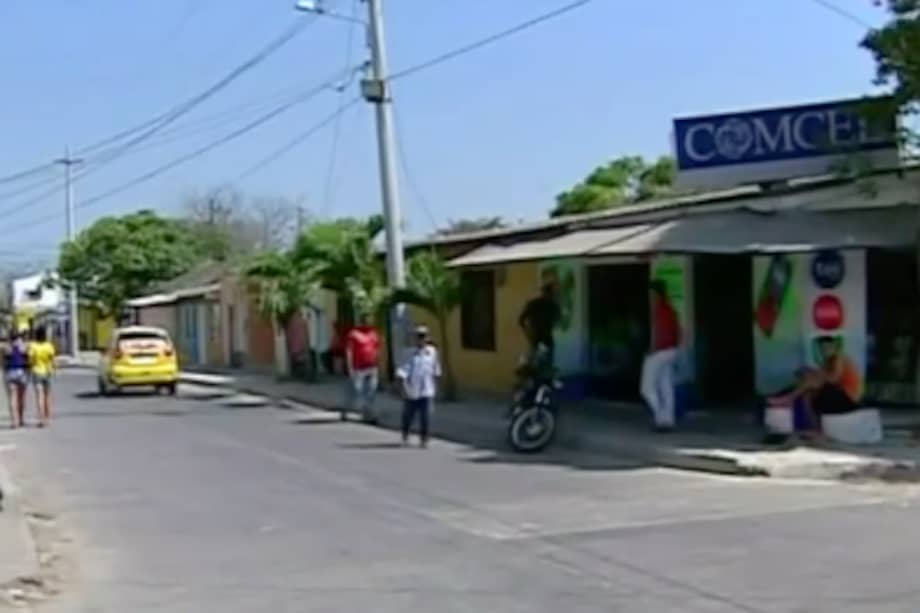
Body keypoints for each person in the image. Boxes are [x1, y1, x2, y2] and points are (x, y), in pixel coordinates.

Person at [768, 336, 862, 437]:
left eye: (828, 348)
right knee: (807, 395)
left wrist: (815, 377)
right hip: (837, 395)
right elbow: (821, 376)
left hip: (849, 398)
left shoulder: (839, 357)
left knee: (812, 382)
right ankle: (816, 427)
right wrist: (807, 372)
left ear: (834, 347)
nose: (825, 351)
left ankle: (788, 398)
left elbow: (834, 378)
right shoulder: (827, 361)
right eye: (823, 348)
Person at [641, 280, 682, 431]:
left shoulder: (660, 310)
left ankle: (660, 418)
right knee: (666, 386)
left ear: (656, 293)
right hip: (672, 350)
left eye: (651, 293)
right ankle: (669, 420)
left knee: (646, 388)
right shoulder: (669, 308)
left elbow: (660, 333)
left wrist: (653, 349)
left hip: (661, 350)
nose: (650, 296)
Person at [397, 326, 442, 448]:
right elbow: (401, 373)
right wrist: (404, 389)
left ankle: (424, 439)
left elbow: (436, 370)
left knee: (426, 416)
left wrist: (436, 387)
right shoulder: (408, 353)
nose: (421, 339)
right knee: (408, 416)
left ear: (427, 338)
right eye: (418, 336)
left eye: (423, 336)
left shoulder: (432, 352)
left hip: (427, 390)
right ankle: (405, 435)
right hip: (412, 390)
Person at [345, 315, 381, 424]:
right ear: (362, 321)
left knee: (371, 392)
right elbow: (349, 351)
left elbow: (377, 349)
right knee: (357, 391)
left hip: (372, 367)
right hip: (358, 368)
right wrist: (350, 367)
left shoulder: (374, 333)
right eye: (365, 320)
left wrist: (377, 363)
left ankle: (368, 415)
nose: (367, 322)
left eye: (369, 320)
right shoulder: (354, 334)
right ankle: (347, 409)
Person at [518, 271, 561, 362]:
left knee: (539, 363)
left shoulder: (550, 305)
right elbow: (521, 320)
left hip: (539, 339)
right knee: (541, 363)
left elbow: (521, 320)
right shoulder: (547, 305)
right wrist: (528, 334)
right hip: (541, 340)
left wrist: (527, 333)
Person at [28, 328, 56, 428]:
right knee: (47, 395)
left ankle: (41, 419)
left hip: (36, 372)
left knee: (39, 396)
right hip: (47, 372)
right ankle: (47, 418)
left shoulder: (33, 346)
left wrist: (31, 366)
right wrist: (53, 369)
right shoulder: (49, 346)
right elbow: (52, 359)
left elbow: (30, 359)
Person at [3, 332, 30, 429]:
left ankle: (14, 421)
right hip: (22, 372)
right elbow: (27, 360)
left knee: (12, 398)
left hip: (10, 373)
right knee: (21, 397)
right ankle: (21, 419)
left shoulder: (6, 348)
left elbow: (3, 362)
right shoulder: (24, 346)